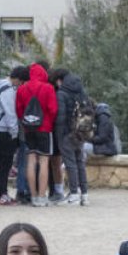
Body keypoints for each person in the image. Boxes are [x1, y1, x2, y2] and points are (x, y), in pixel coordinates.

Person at [14, 63, 58, 207]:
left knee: (31, 161)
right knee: (44, 161)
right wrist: (48, 122)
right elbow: (53, 109)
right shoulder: (48, 88)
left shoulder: (21, 89)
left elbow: (19, 110)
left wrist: (26, 122)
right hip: (45, 128)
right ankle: (41, 197)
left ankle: (32, 196)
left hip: (28, 129)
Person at [50, 68, 89, 205]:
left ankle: (73, 194)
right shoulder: (81, 92)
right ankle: (84, 194)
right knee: (80, 163)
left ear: (59, 80)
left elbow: (60, 117)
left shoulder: (61, 94)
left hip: (66, 133)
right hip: (81, 132)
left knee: (70, 164)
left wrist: (59, 135)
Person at [0, 66, 20, 205]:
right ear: (17, 79)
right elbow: (10, 111)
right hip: (4, 130)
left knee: (0, 164)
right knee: (5, 164)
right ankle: (0, 194)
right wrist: (14, 132)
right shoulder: (8, 89)